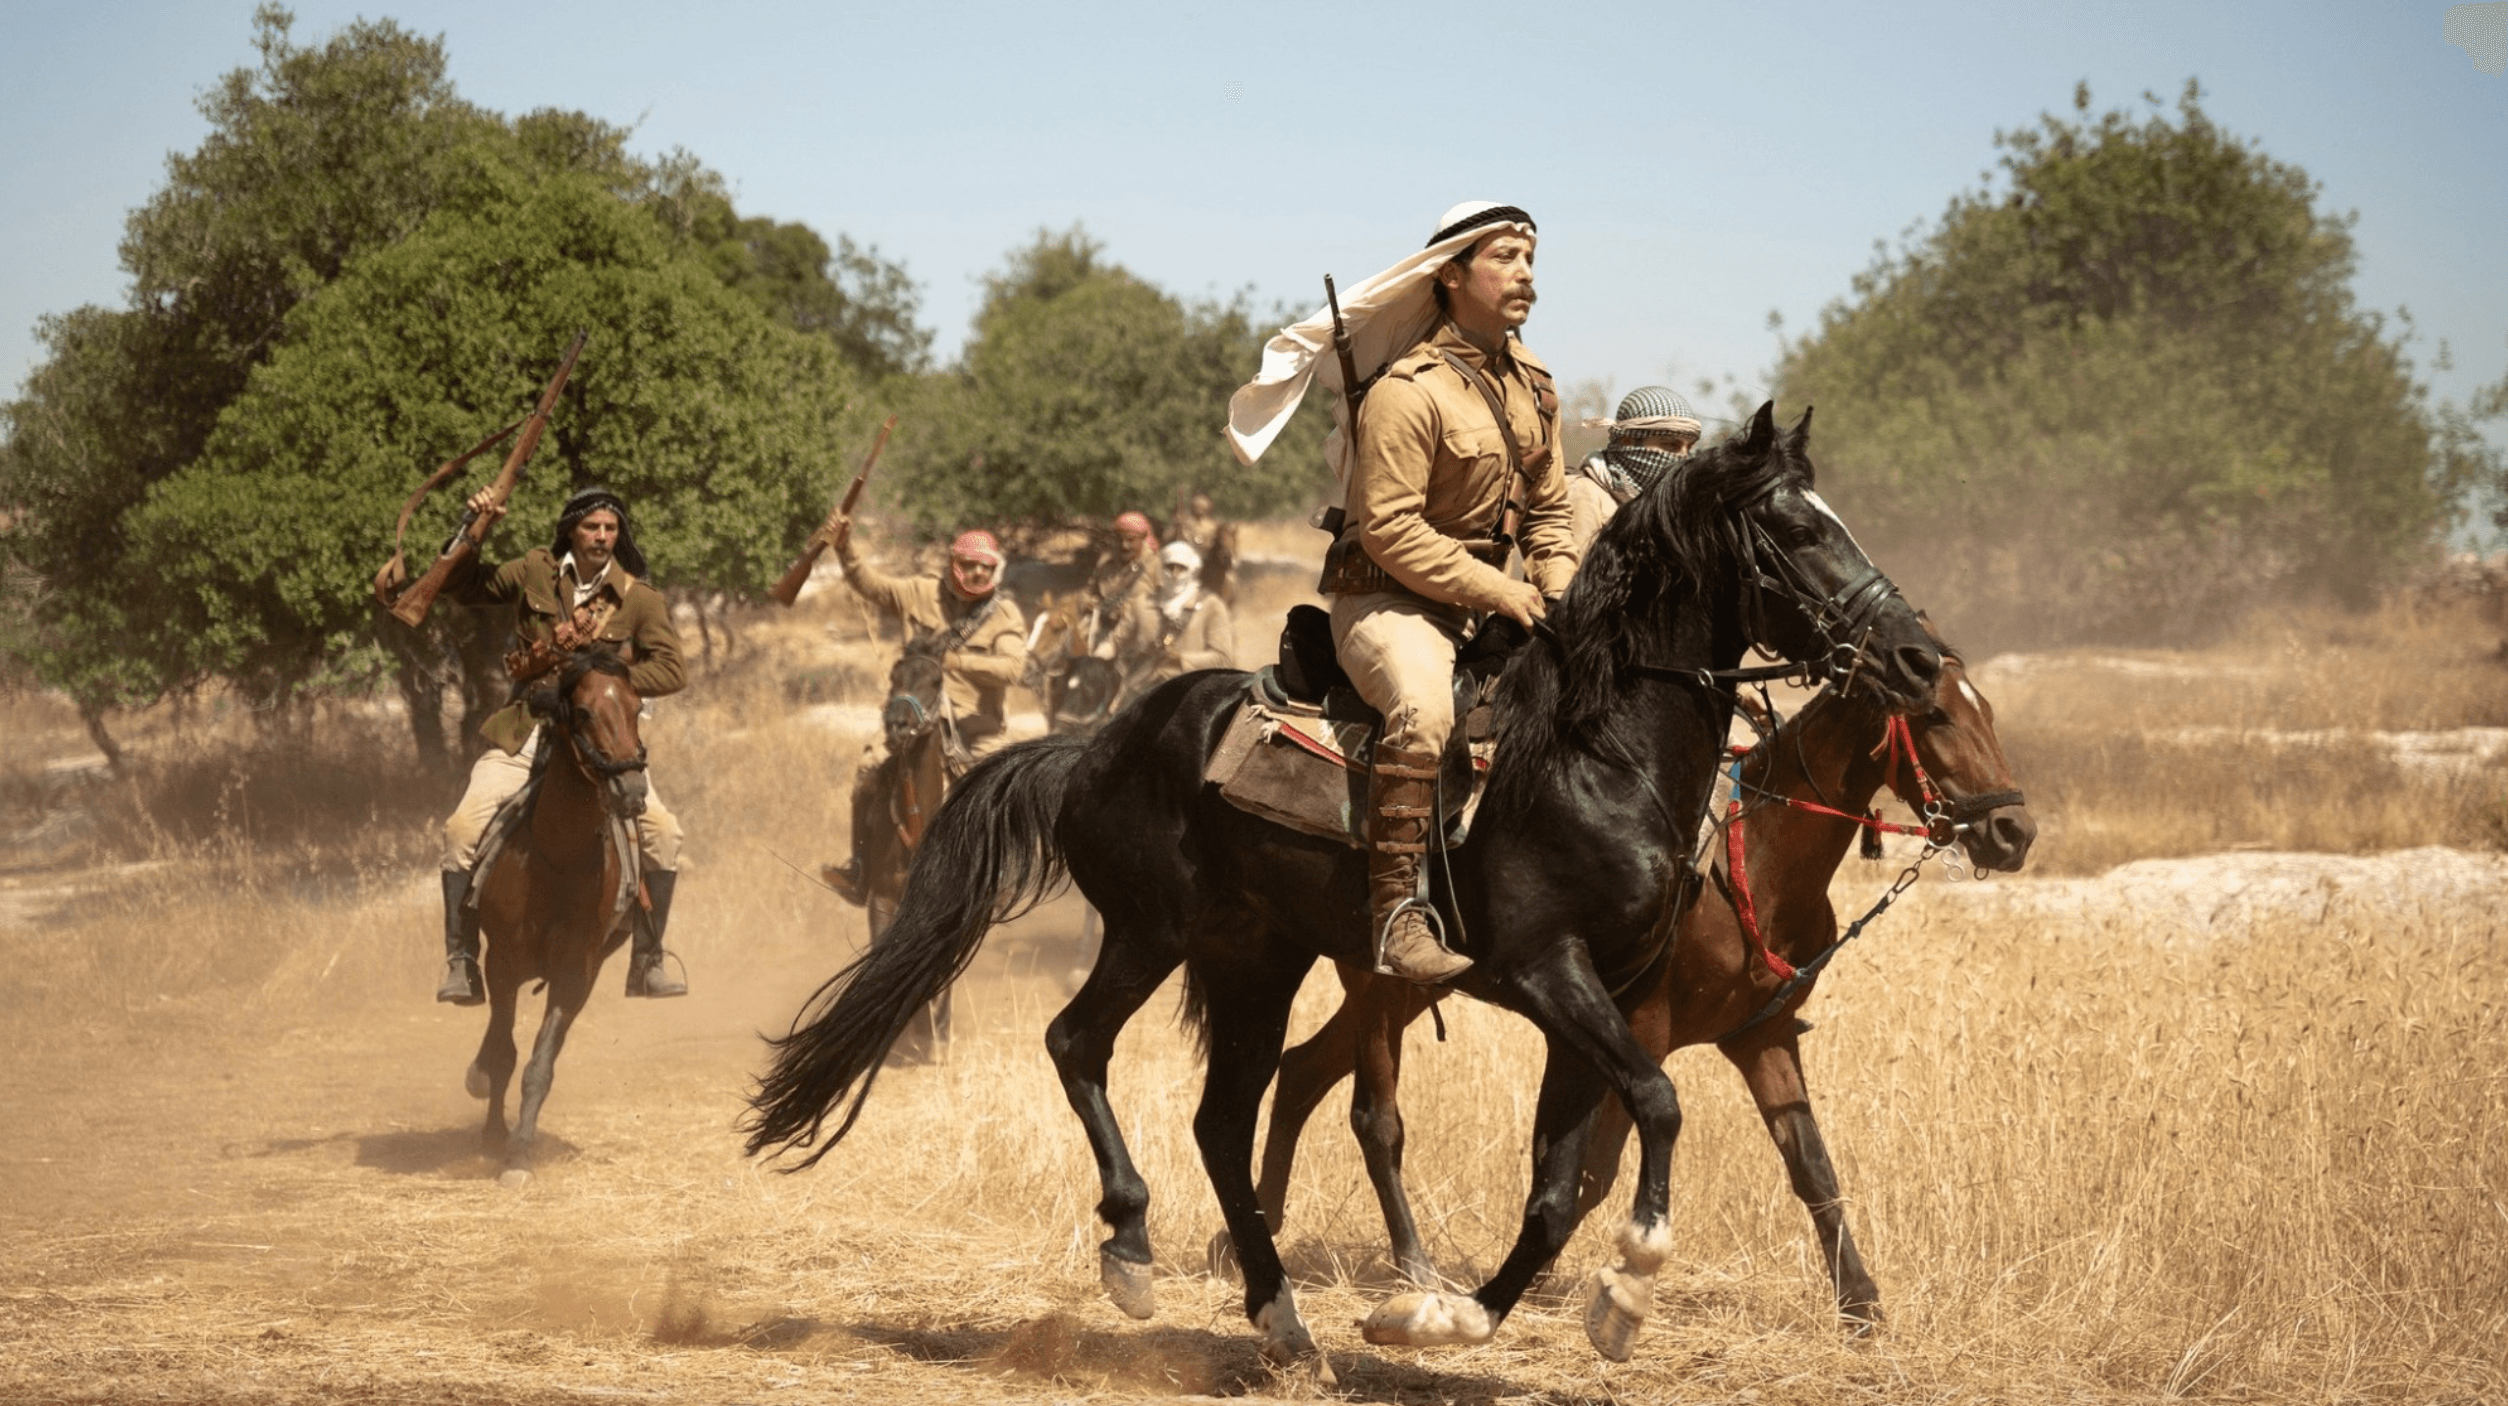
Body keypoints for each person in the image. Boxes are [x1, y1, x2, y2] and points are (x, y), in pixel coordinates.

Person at [1226, 200, 1573, 983]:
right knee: (1424, 709)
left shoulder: (1538, 387)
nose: (1525, 274)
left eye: (1531, 259)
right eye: (1505, 258)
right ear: (1451, 274)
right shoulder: (1404, 391)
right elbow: (1389, 529)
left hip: (1489, 600)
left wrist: (1561, 592)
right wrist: (1502, 591)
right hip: (1387, 601)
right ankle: (1397, 917)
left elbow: (1549, 512)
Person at [435, 484, 689, 1004]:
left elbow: (671, 668)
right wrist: (474, 525)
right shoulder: (534, 570)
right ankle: (461, 960)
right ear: (572, 528)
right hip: (529, 728)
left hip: (600, 744)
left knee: (663, 832)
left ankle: (648, 959)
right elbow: (463, 586)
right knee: (461, 828)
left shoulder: (637, 598)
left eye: (611, 528)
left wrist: (606, 684)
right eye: (592, 527)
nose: (601, 537)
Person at [820, 518, 1029, 905]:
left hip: (975, 725)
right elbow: (871, 585)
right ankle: (860, 868)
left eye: (986, 566)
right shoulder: (918, 592)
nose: (978, 572)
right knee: (868, 769)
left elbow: (1013, 668)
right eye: (970, 565)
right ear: (954, 564)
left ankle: (999, 875)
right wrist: (845, 546)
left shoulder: (1005, 614)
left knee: (1003, 783)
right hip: (912, 717)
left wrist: (957, 662)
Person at [1566, 386, 1703, 560]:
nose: (1683, 457)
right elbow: (1569, 580)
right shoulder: (1584, 494)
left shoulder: (1665, 508)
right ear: (1627, 442)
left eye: (1688, 448)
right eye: (1670, 445)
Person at [1101, 539, 1236, 704]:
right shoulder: (1142, 604)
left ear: (1193, 571)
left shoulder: (1211, 606)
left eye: (1182, 568)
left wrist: (1180, 658)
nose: (1175, 574)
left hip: (1191, 694)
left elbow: (1222, 658)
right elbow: (1115, 642)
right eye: (1169, 567)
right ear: (1160, 569)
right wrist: (1095, 658)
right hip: (1142, 691)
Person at [1081, 511, 1159, 654]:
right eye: (1119, 539)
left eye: (1131, 540)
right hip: (1100, 630)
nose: (1124, 545)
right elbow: (1088, 592)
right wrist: (1090, 602)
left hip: (1134, 639)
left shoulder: (1155, 566)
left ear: (1142, 538)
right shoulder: (1105, 563)